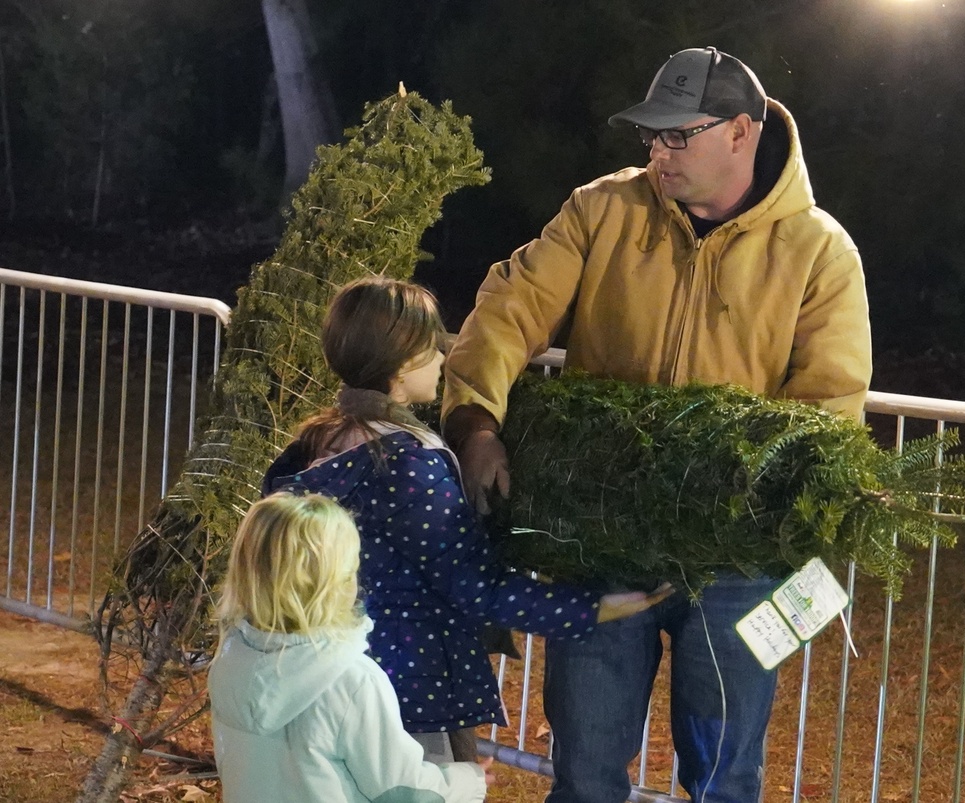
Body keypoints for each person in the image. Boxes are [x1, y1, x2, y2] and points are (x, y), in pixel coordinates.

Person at [441, 46, 872, 803]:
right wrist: (475, 420)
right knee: (585, 769)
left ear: (740, 132)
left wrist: (751, 507)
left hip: (739, 568)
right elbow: (510, 309)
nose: (657, 150)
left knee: (723, 778)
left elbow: (830, 409)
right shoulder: (602, 208)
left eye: (679, 134)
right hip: (604, 543)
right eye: (652, 134)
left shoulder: (819, 253)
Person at [260, 277, 665, 765]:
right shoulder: (408, 464)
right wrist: (591, 608)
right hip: (411, 690)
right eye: (432, 348)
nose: (443, 359)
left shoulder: (316, 446)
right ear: (403, 363)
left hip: (336, 676)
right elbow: (475, 586)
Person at [207, 492, 493, 802]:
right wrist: (470, 781)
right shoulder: (353, 681)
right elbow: (400, 789)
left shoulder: (229, 661)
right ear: (337, 581)